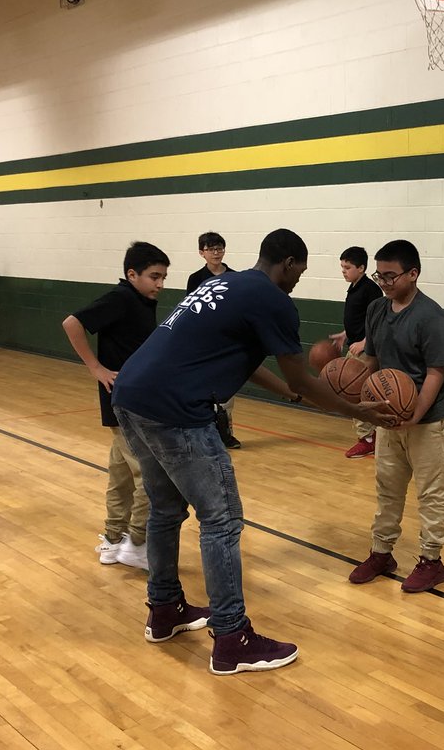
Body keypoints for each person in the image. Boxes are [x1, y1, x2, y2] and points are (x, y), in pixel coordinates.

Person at [111, 228, 391, 675]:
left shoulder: (226, 284)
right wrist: (360, 412)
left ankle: (163, 610)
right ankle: (231, 637)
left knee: (165, 510)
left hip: (130, 395)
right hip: (175, 409)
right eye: (300, 270)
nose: (299, 279)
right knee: (220, 520)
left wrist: (288, 394)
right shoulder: (274, 299)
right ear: (290, 263)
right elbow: (304, 378)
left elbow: (251, 359)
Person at [347, 239, 444, 593]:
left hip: (429, 415)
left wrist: (413, 415)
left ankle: (432, 560)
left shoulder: (431, 317)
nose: (384, 282)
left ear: (413, 274)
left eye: (391, 276)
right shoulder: (377, 310)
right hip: (389, 416)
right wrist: (349, 385)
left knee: (430, 491)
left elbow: (436, 373)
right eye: (379, 275)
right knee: (388, 488)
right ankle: (382, 553)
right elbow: (372, 361)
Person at [62, 242, 171, 572]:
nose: (160, 284)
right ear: (131, 274)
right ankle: (137, 543)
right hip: (123, 402)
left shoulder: (140, 299)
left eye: (164, 277)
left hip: (135, 399)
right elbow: (72, 323)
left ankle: (112, 539)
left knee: (121, 475)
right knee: (150, 475)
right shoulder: (121, 298)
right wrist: (95, 368)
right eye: (154, 276)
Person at [186, 231, 241, 449]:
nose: (216, 252)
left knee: (227, 394)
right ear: (202, 253)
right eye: (211, 249)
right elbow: (190, 310)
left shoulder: (235, 276)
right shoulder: (196, 279)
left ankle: (226, 434)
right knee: (205, 391)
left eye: (219, 248)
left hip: (228, 341)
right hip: (204, 341)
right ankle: (205, 434)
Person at [329, 245, 383, 459]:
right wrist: (347, 334)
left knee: (355, 394)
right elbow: (360, 319)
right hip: (356, 345)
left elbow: (379, 322)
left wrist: (364, 341)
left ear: (361, 268)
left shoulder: (371, 290)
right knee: (352, 394)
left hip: (367, 351)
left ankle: (368, 438)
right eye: (342, 266)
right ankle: (373, 435)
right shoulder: (354, 286)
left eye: (348, 267)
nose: (343, 270)